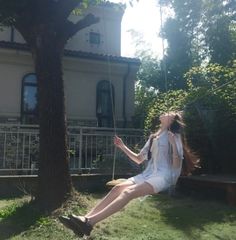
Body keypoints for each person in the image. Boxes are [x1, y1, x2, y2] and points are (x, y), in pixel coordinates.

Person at [59, 111, 199, 236]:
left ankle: (89, 223)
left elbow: (176, 165)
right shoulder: (153, 138)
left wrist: (173, 144)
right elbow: (138, 159)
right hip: (148, 174)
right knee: (118, 188)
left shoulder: (175, 136)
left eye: (169, 112)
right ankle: (83, 220)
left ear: (172, 120)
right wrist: (122, 146)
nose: (164, 112)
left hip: (164, 176)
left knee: (128, 192)